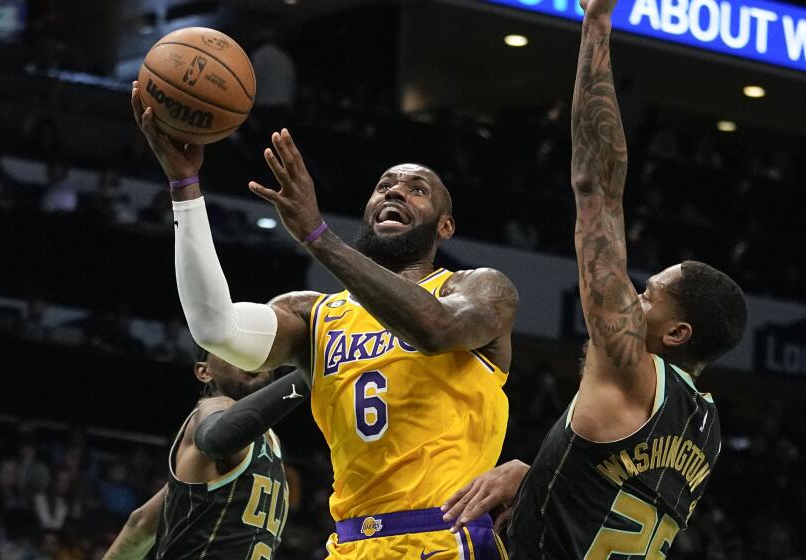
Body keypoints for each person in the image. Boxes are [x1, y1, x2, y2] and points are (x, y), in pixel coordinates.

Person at [130, 77, 519, 560]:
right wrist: (185, 188)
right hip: (350, 544)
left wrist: (318, 237)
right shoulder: (316, 314)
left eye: (417, 190)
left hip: (442, 537)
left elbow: (435, 329)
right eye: (384, 186)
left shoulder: (478, 287)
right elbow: (215, 329)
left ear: (445, 226)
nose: (395, 191)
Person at [440, 0, 748, 557]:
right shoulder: (707, 432)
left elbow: (598, 190)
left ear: (676, 333)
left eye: (647, 294)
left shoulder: (632, 367)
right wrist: (533, 478)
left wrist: (597, 23)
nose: (630, 293)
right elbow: (601, 499)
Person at [104, 349, 304, 559]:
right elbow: (217, 438)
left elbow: (142, 523)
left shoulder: (271, 440)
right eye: (232, 350)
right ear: (204, 372)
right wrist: (308, 375)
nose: (248, 356)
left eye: (254, 350)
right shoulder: (214, 408)